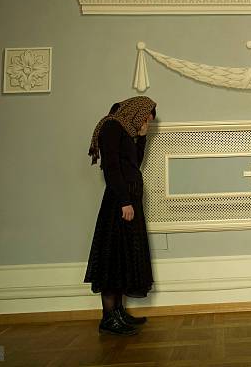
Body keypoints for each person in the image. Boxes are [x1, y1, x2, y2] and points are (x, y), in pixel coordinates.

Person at [86, 95, 157, 336]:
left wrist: (142, 137)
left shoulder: (126, 131)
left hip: (130, 201)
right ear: (136, 110)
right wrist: (125, 201)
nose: (148, 120)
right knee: (113, 256)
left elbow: (133, 163)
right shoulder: (111, 126)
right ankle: (108, 318)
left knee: (123, 255)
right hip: (120, 202)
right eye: (147, 115)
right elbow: (113, 168)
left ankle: (118, 313)